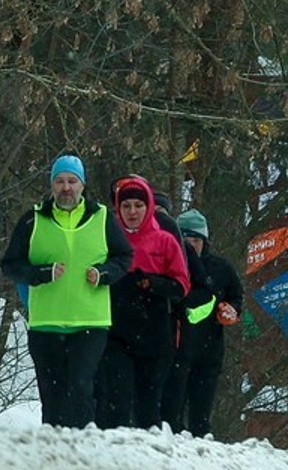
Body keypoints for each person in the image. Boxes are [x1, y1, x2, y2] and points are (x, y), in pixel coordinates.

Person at [0, 153, 133, 428]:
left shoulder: (103, 218)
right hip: (46, 322)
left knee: (81, 387)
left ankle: (80, 448)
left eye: (72, 180)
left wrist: (103, 274)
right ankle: (52, 452)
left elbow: (124, 257)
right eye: (59, 181)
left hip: (90, 321)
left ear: (83, 185)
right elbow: (10, 264)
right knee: (52, 395)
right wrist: (39, 274)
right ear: (51, 185)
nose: (66, 187)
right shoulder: (32, 220)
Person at [95, 175, 191, 429]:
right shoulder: (105, 239)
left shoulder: (165, 241)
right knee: (117, 401)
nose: (132, 212)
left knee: (148, 408)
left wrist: (152, 283)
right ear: (117, 208)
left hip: (154, 333)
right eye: (126, 206)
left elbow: (182, 286)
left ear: (149, 206)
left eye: (138, 205)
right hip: (115, 332)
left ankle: (147, 459)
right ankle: (113, 457)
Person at [161, 208, 245, 438]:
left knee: (200, 417)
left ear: (204, 241)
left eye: (195, 239)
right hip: (175, 351)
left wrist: (231, 310)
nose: (190, 245)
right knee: (170, 415)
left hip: (209, 352)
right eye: (185, 239)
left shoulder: (221, 268)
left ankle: (202, 455)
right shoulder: (167, 264)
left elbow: (236, 296)